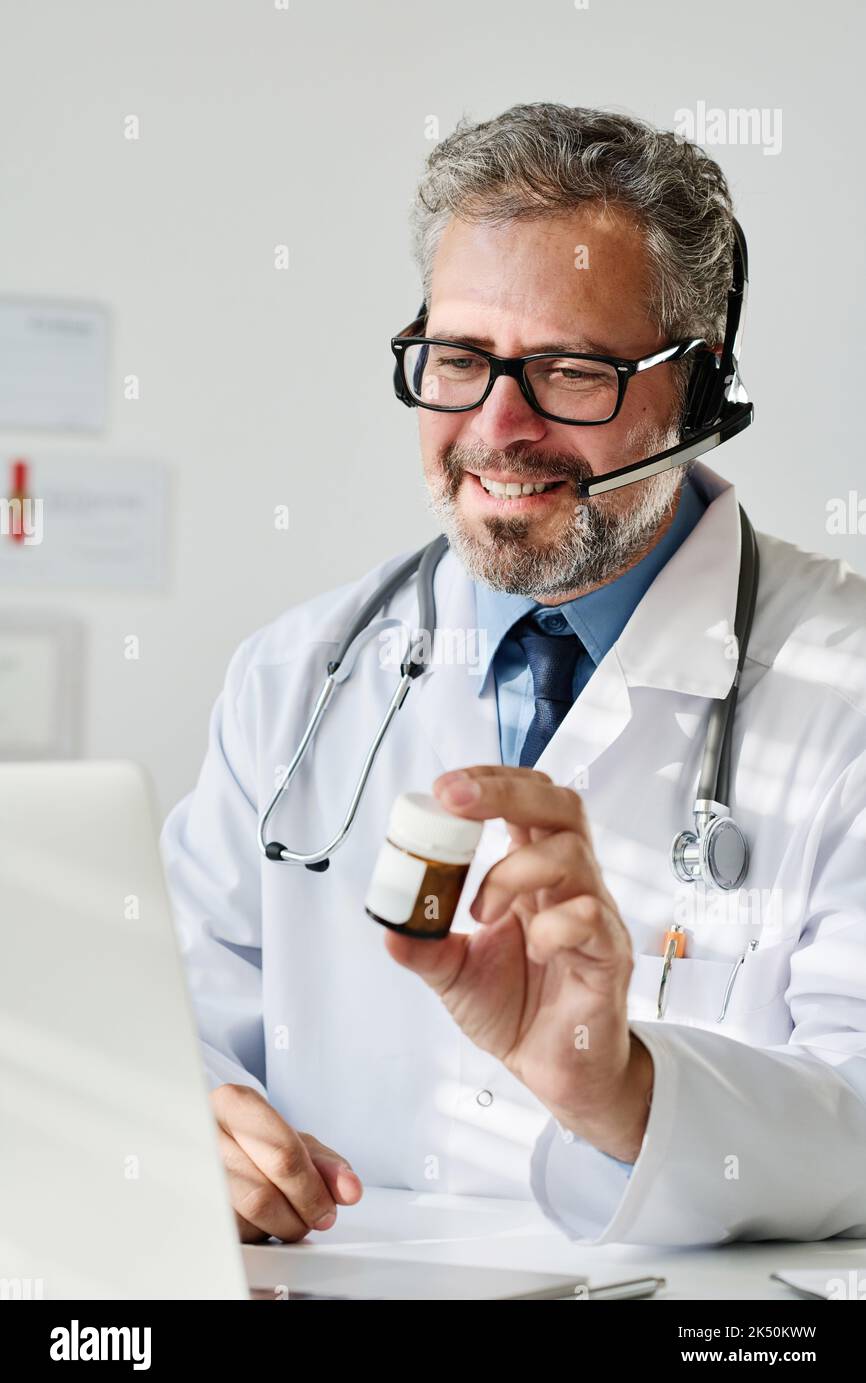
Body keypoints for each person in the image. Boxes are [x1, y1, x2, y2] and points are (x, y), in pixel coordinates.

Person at [160, 103, 866, 1247]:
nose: (497, 427)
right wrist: (192, 1125)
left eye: (569, 371)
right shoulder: (294, 679)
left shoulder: (844, 685)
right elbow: (171, 1017)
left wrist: (624, 1091)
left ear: (699, 389)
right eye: (458, 360)